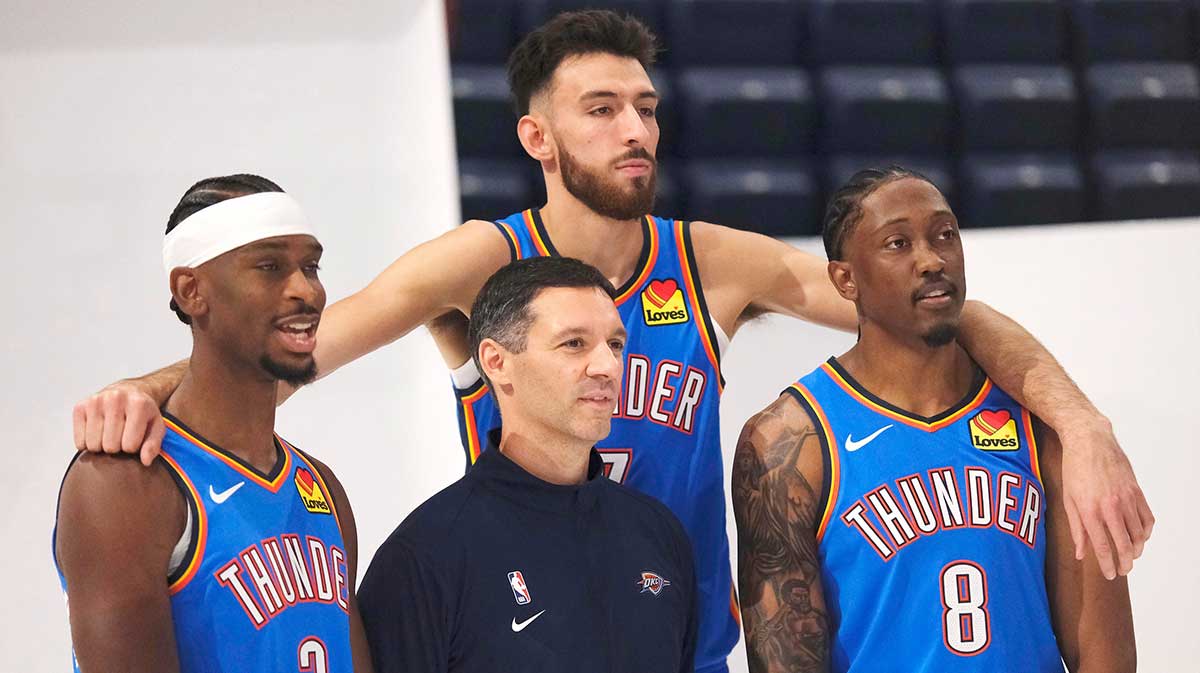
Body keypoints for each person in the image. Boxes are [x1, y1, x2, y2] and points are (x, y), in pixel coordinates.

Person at [70, 11, 1151, 672]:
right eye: (599, 109)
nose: (633, 130)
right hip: (527, 627)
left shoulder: (714, 260)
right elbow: (300, 347)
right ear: (537, 136)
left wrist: (1081, 420)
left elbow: (942, 314)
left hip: (678, 636)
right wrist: (144, 389)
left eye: (644, 106)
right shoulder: (478, 264)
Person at [732, 167, 1135, 673]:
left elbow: (1103, 655)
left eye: (945, 235)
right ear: (845, 279)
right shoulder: (791, 440)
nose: (931, 260)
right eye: (897, 243)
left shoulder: (1044, 425)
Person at [54, 175, 372, 673]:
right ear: (191, 290)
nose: (306, 291)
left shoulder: (322, 487)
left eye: (311, 266)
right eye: (270, 267)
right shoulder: (125, 484)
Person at [358, 256, 697, 673]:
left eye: (615, 344)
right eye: (574, 343)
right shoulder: (424, 558)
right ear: (497, 362)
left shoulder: (660, 534)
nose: (608, 367)